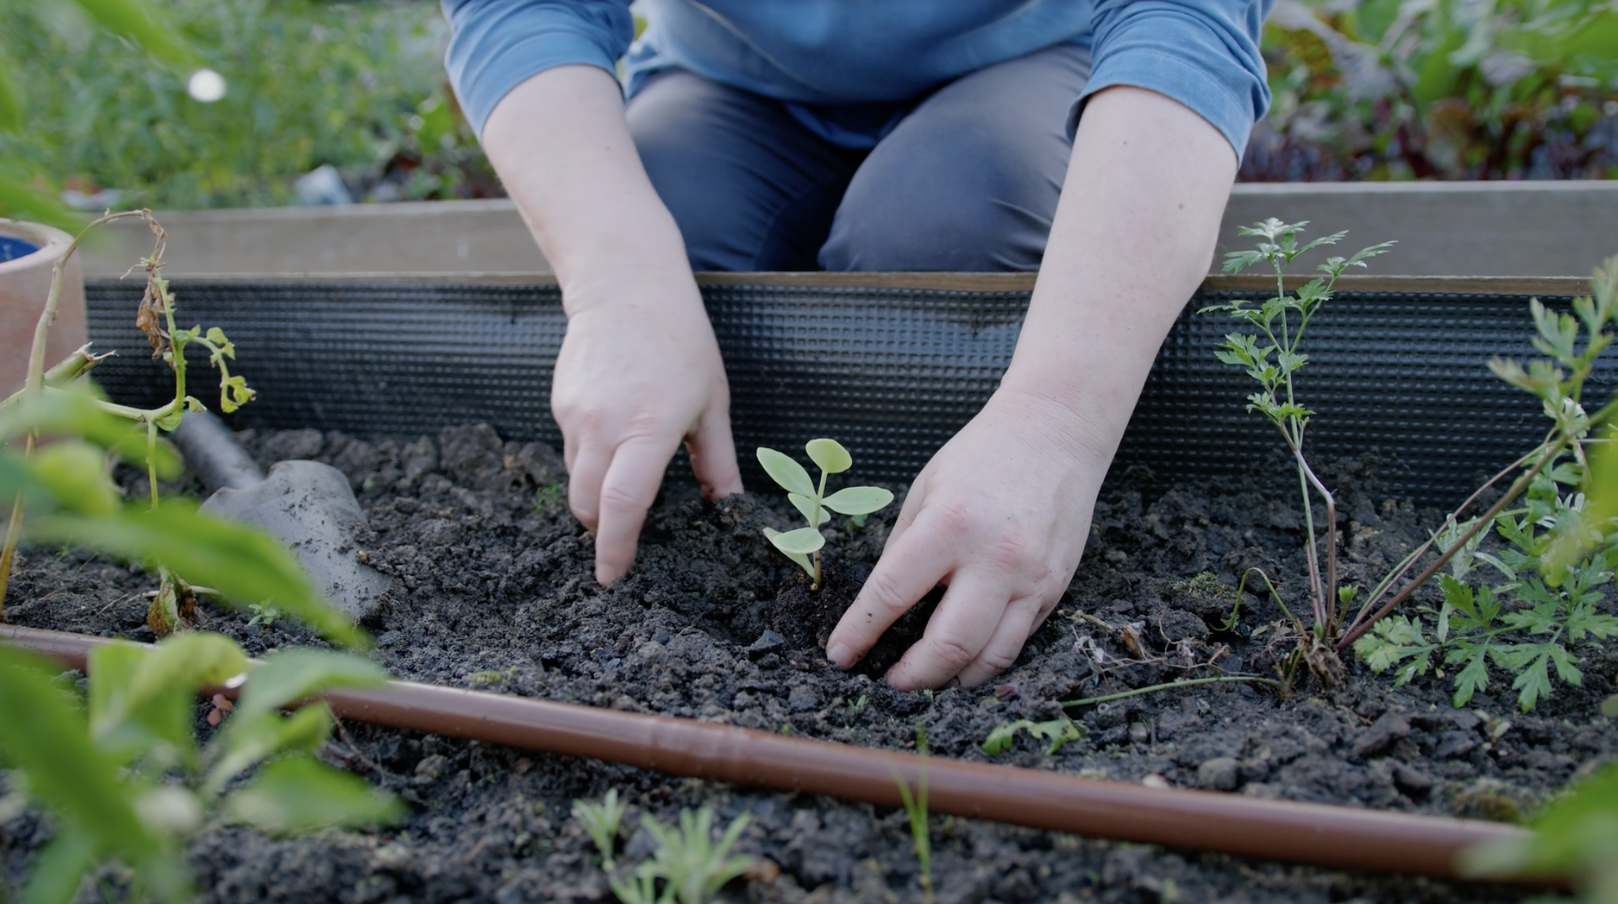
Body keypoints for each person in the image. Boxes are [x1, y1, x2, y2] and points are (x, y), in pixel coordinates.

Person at [441, 0, 1273, 691]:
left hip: (1034, 51)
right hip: (729, 75)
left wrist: (1056, 421)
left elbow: (1186, 21)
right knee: (673, 235)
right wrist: (614, 285)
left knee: (943, 232)